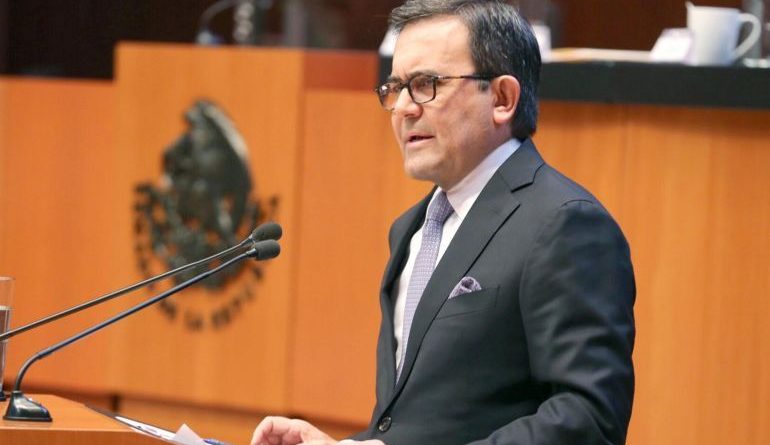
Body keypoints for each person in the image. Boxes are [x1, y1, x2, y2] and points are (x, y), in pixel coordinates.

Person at [251, 1, 635, 444]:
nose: (403, 108)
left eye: (425, 85)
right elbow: (419, 421)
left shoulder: (564, 224)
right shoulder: (411, 230)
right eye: (395, 88)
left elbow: (589, 419)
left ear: (502, 99)